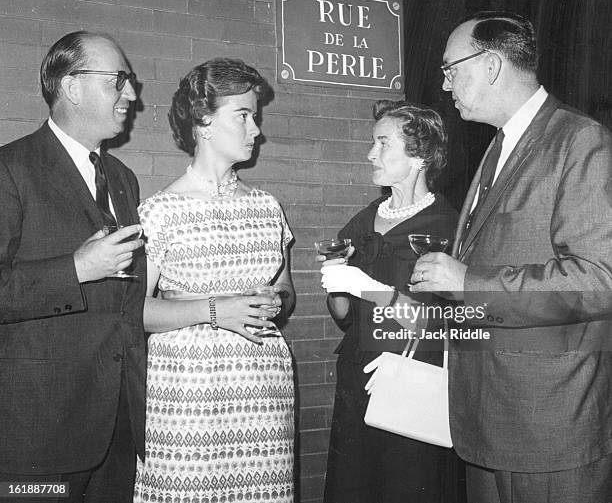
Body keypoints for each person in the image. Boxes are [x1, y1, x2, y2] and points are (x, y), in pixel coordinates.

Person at [407, 11, 612, 502]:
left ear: (492, 65)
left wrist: (469, 282)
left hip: (548, 427)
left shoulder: (580, 141)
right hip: (489, 419)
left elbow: (598, 279)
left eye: (452, 69)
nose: (445, 83)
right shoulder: (500, 146)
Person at [133, 58, 296, 503]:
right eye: (242, 116)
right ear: (203, 122)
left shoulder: (268, 207)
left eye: (255, 117)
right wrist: (215, 310)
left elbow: (285, 288)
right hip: (187, 396)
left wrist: (276, 299)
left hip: (262, 391)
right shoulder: (159, 211)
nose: (255, 130)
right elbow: (135, 312)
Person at [0, 31, 146, 502]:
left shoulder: (123, 179)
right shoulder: (10, 169)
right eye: (117, 80)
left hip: (115, 430)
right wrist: (77, 268)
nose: (132, 95)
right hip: (39, 437)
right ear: (71, 86)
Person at [320, 100, 463, 503]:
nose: (371, 154)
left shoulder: (446, 226)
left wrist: (364, 284)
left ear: (419, 156)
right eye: (373, 143)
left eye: (383, 144)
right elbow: (344, 316)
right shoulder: (364, 220)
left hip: (413, 385)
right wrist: (336, 284)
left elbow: (435, 325)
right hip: (358, 378)